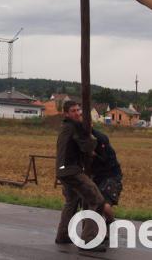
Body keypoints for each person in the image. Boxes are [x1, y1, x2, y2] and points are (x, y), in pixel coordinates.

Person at [54, 101, 106, 252]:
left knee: (72, 200)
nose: (77, 113)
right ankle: (89, 239)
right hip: (71, 171)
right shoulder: (75, 127)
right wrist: (90, 134)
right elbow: (87, 146)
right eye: (73, 111)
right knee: (97, 200)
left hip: (62, 170)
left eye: (78, 110)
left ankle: (63, 235)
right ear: (66, 114)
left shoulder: (64, 127)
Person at [91, 129, 122, 223]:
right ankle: (101, 229)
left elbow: (104, 159)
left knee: (104, 204)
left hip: (111, 175)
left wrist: (94, 155)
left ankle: (111, 222)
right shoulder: (83, 136)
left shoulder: (99, 138)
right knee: (97, 205)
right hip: (98, 176)